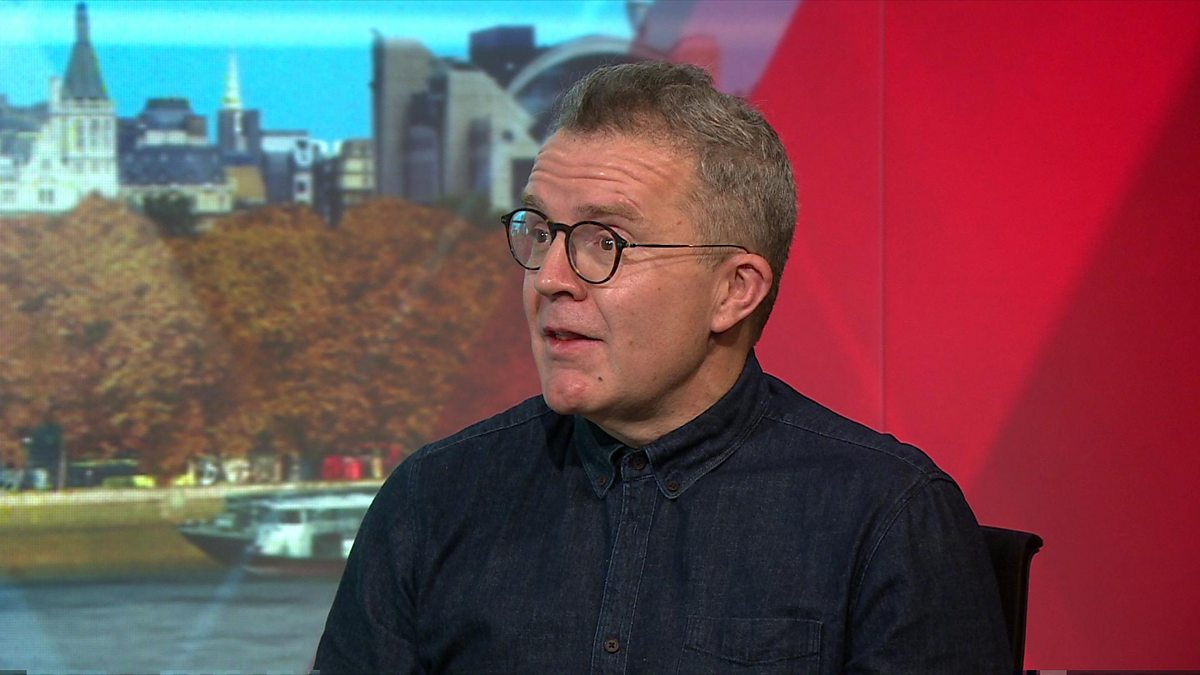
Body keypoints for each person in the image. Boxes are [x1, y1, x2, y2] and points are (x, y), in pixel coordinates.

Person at [314, 61, 1011, 674]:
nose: (550, 277)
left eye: (605, 241)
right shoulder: (431, 501)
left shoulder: (888, 517)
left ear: (733, 290)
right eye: (541, 231)